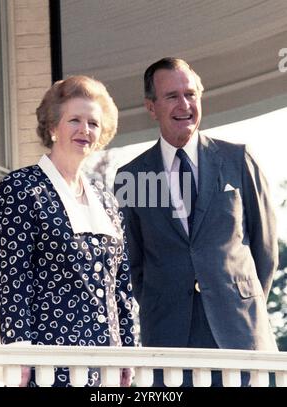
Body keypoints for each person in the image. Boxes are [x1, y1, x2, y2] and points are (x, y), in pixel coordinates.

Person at [114, 57, 278, 386]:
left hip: (239, 335)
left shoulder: (237, 159)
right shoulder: (131, 177)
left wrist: (238, 299)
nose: (184, 104)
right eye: (172, 96)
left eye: (191, 94)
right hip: (168, 339)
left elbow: (265, 249)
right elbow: (133, 264)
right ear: (151, 106)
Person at [0, 75, 136, 387]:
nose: (85, 130)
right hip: (52, 364)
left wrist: (129, 350)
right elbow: (12, 277)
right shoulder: (21, 187)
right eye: (74, 120)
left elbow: (121, 285)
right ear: (53, 127)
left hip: (108, 365)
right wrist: (19, 353)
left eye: (93, 123)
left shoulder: (107, 200)